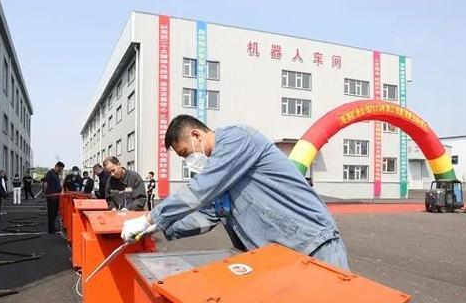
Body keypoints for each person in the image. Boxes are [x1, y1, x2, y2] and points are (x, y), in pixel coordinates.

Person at [121, 115, 349, 270]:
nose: (188, 161)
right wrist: (159, 229)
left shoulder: (237, 139)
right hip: (283, 257)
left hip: (313, 244)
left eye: (185, 153)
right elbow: (207, 216)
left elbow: (200, 190)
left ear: (196, 135)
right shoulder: (223, 174)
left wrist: (150, 217)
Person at [43, 162, 64, 233]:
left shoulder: (56, 174)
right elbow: (45, 184)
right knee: (51, 213)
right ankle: (50, 229)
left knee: (54, 213)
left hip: (56, 197)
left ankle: (53, 227)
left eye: (62, 169)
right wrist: (45, 193)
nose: (60, 170)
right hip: (51, 197)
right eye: (60, 169)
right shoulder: (50, 173)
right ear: (56, 166)